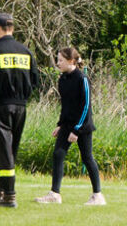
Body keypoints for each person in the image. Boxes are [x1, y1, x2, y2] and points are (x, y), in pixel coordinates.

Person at [0, 12, 39, 208]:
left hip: (1, 105)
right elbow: (35, 81)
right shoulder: (26, 52)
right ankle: (3, 191)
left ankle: (9, 194)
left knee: (3, 151)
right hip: (21, 106)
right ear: (11, 28)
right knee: (11, 149)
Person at [36, 47, 105, 206]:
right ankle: (55, 194)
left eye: (60, 60)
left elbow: (86, 106)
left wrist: (76, 130)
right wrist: (60, 125)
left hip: (83, 126)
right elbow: (66, 106)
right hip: (67, 125)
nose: (57, 63)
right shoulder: (62, 79)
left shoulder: (82, 79)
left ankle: (97, 195)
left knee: (87, 158)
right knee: (58, 154)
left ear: (71, 61)